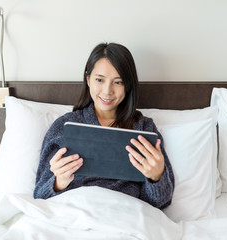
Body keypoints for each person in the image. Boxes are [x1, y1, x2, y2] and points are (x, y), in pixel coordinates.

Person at [34, 43, 174, 209]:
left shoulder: (144, 129)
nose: (107, 91)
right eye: (99, 80)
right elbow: (39, 198)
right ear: (88, 79)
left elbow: (160, 202)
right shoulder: (62, 128)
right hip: (75, 212)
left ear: (128, 86)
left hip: (125, 215)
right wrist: (59, 182)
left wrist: (156, 176)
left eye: (118, 82)